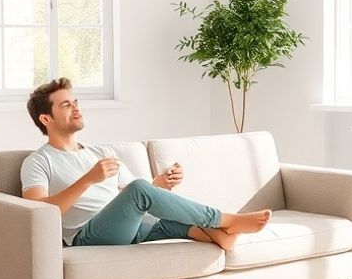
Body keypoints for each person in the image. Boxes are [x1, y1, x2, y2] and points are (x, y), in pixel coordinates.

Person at [20, 78, 271, 250]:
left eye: (76, 102)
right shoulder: (38, 161)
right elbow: (38, 212)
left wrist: (160, 184)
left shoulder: (100, 152)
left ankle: (221, 235)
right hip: (88, 235)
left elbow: (135, 198)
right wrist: (88, 180)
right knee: (140, 190)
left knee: (166, 218)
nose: (76, 108)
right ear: (46, 118)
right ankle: (224, 220)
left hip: (127, 227)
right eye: (66, 105)